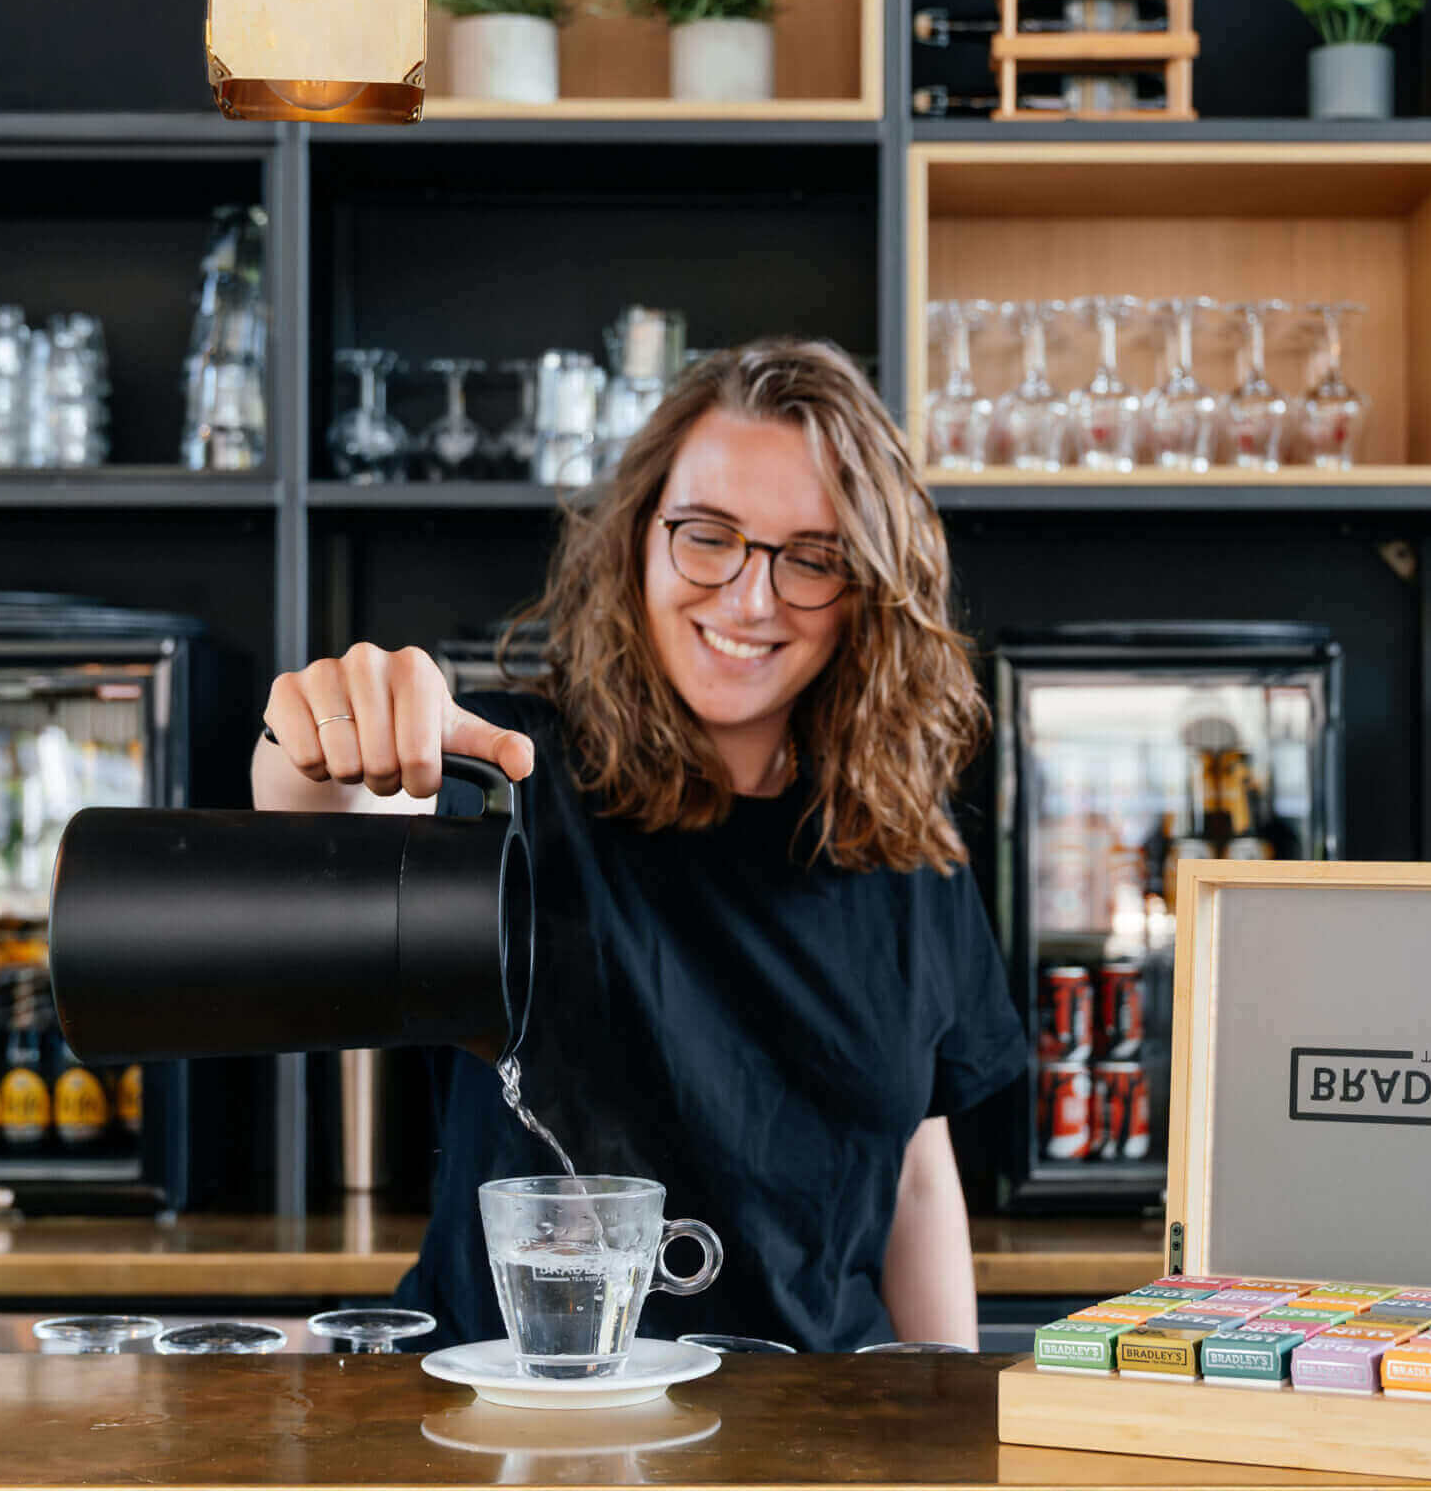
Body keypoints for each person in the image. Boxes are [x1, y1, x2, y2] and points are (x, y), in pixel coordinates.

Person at [253, 338, 1026, 1351]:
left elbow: (917, 1179)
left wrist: (948, 1414)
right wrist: (318, 741)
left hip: (817, 1426)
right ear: (637, 538)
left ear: (866, 593)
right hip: (524, 1421)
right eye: (707, 535)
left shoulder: (908, 842)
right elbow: (327, 836)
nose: (749, 598)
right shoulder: (507, 774)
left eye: (812, 557)